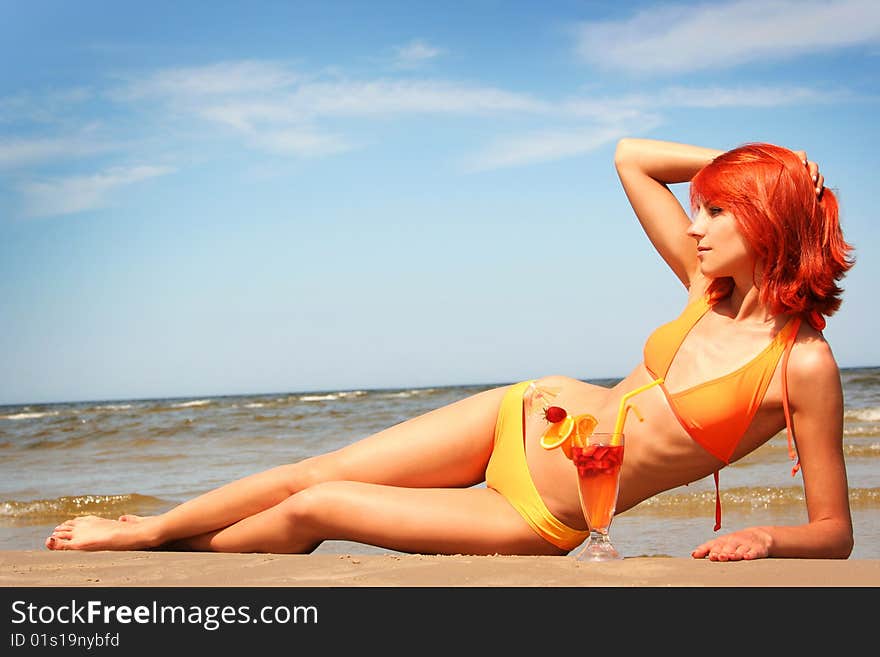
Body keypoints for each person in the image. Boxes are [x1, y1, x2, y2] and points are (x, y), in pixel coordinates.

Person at [45, 138, 855, 561]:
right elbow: (630, 156)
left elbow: (835, 530)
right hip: (518, 413)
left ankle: (171, 541)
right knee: (313, 470)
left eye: (718, 211)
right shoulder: (702, 285)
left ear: (766, 221)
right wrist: (769, 158)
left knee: (317, 509)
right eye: (702, 207)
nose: (694, 224)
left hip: (535, 512)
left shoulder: (801, 365)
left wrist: (770, 538)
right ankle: (149, 534)